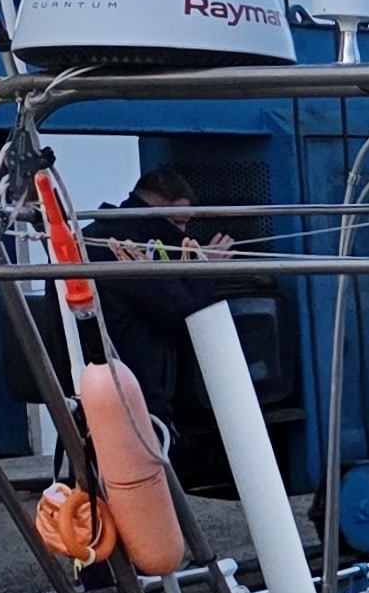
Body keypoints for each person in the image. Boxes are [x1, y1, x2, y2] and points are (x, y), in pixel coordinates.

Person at [81, 168, 246, 488]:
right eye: (179, 223)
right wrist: (204, 268)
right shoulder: (119, 248)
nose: (184, 233)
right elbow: (178, 308)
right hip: (133, 392)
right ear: (160, 208)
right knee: (143, 490)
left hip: (123, 387)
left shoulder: (107, 237)